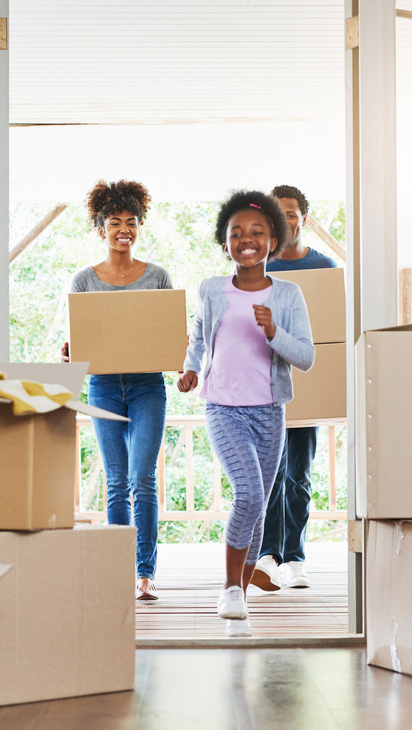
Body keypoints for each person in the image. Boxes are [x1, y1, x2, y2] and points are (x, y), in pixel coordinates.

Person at [178, 190, 315, 637]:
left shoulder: (289, 295)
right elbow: (198, 337)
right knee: (251, 496)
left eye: (257, 232)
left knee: (257, 506)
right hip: (222, 407)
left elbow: (307, 357)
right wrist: (191, 370)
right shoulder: (210, 290)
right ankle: (229, 588)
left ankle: (243, 581)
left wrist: (273, 331)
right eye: (236, 233)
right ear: (225, 244)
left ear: (272, 240)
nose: (246, 240)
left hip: (269, 412)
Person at [67, 180, 171, 602]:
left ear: (139, 227)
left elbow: (167, 334)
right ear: (101, 229)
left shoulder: (158, 276)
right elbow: (82, 343)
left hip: (147, 384)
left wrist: (183, 365)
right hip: (104, 386)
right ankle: (117, 572)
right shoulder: (83, 281)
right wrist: (72, 350)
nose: (123, 229)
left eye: (130, 222)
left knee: (141, 478)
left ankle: (145, 574)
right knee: (115, 482)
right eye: (114, 222)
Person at [253, 185, 338, 591]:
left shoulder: (325, 267)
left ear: (303, 218)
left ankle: (295, 557)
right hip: (268, 384)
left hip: (309, 382)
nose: (285, 221)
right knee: (269, 474)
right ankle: (266, 555)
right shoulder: (259, 268)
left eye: (291, 213)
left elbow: (335, 331)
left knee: (299, 475)